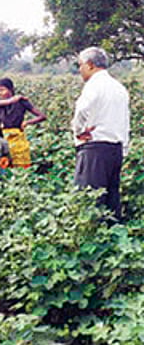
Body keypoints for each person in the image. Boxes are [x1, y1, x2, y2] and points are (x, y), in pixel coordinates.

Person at [72, 46, 130, 220]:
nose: (80, 70)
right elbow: (125, 121)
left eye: (80, 65)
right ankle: (112, 242)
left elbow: (81, 111)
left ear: (90, 65)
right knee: (111, 201)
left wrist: (79, 132)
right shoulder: (119, 88)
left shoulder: (94, 85)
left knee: (89, 201)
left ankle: (92, 240)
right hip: (116, 150)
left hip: (95, 149)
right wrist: (124, 149)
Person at [0, 77, 46, 168]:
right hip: (3, 138)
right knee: (3, 166)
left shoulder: (22, 102)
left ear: (10, 90)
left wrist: (27, 122)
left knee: (20, 166)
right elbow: (3, 103)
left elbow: (42, 116)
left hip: (17, 139)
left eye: (2, 90)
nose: (0, 93)